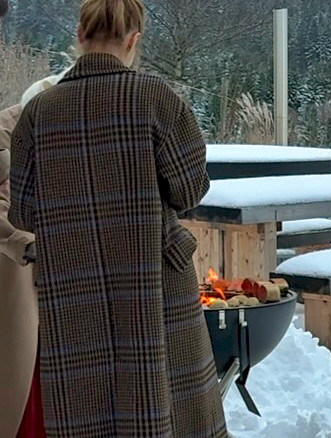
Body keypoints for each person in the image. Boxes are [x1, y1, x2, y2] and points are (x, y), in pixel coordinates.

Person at [7, 0, 227, 436]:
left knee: (86, 409)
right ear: (133, 39)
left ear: (79, 35)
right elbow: (189, 192)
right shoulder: (159, 99)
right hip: (155, 282)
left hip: (72, 285)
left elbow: (23, 212)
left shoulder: (38, 112)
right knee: (166, 406)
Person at [0, 72, 64, 438]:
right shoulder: (6, 138)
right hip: (21, 280)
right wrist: (27, 242)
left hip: (61, 289)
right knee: (25, 391)